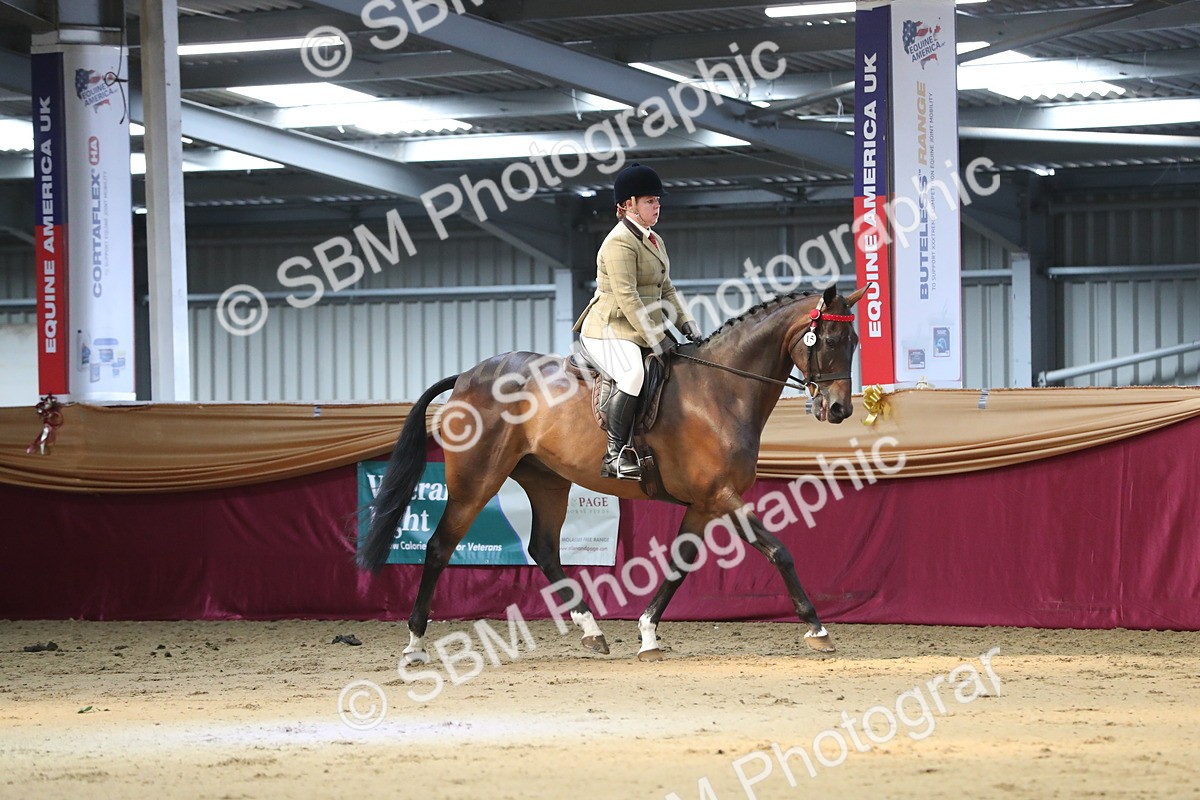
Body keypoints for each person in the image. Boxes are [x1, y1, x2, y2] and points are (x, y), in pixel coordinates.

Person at [573, 163, 702, 480]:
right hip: (610, 329)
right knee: (632, 376)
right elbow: (629, 298)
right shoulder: (619, 242)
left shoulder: (654, 240)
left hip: (641, 328)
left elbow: (666, 288)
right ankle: (614, 455)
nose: (657, 206)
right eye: (649, 201)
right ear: (627, 205)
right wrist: (657, 338)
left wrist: (689, 327)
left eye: (658, 201)